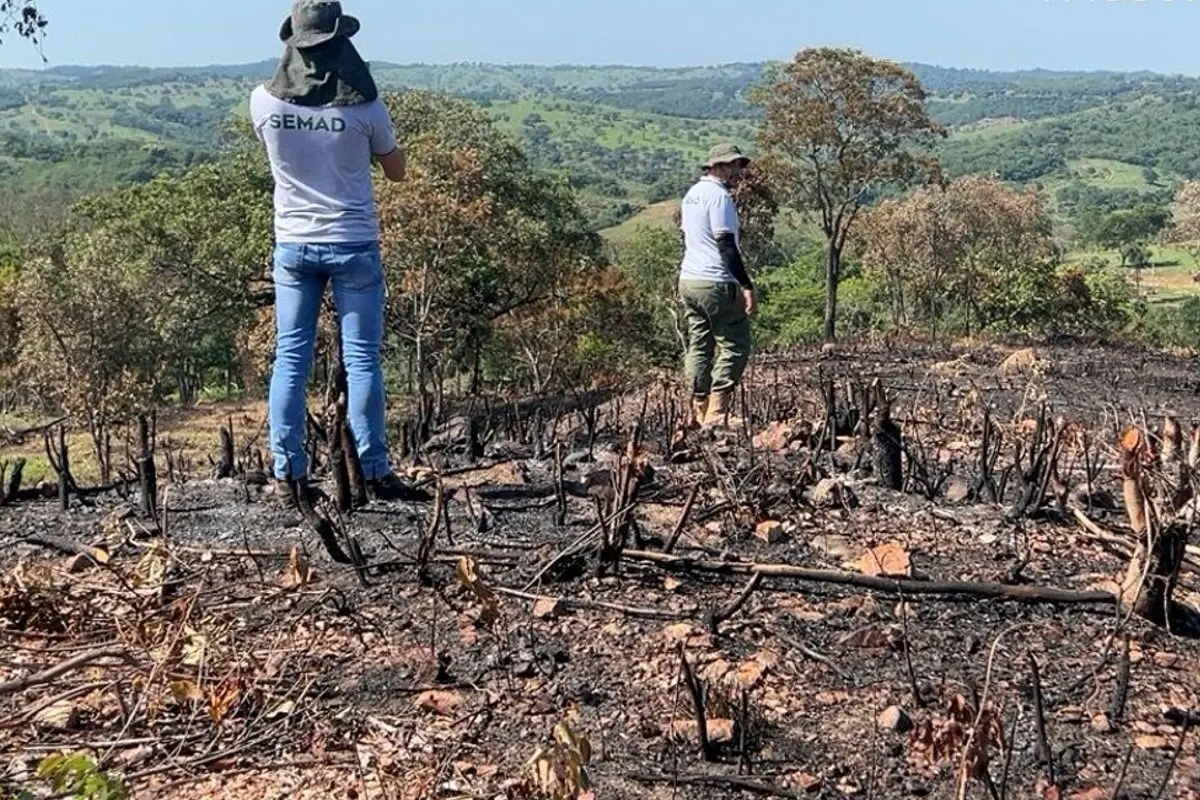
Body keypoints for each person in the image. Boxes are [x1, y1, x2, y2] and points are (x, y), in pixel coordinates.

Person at [250, 0, 425, 501]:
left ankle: (289, 475)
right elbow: (397, 172)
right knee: (364, 359)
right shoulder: (365, 107)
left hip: (293, 245)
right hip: (353, 244)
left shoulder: (264, 104)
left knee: (291, 358)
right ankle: (374, 470)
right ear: (342, 41)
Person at [677, 143, 755, 428]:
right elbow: (725, 245)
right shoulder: (719, 198)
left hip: (689, 280)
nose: (738, 172)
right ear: (719, 167)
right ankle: (717, 414)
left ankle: (699, 409)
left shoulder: (692, 195)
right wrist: (745, 285)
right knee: (735, 344)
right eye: (734, 165)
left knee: (700, 345)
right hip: (716, 281)